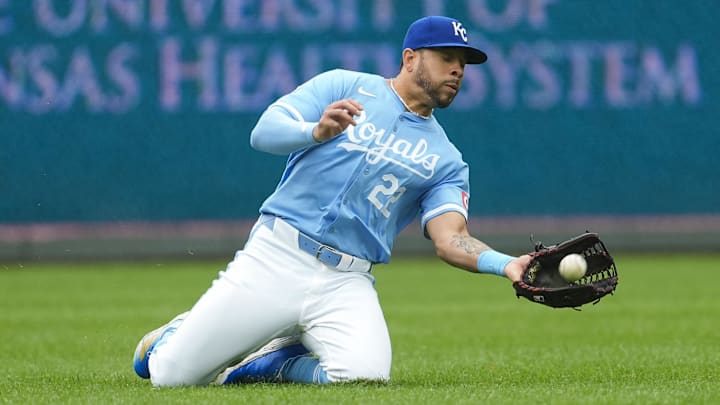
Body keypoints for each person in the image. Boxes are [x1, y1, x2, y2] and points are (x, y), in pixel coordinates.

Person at [132, 15, 532, 387]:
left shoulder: (447, 160)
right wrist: (315, 132)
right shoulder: (344, 86)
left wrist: (506, 264)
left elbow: (451, 239)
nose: (457, 70)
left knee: (365, 376)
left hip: (345, 280)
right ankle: (176, 333)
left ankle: (274, 362)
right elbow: (264, 131)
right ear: (410, 58)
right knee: (169, 376)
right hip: (278, 256)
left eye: (463, 63)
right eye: (447, 58)